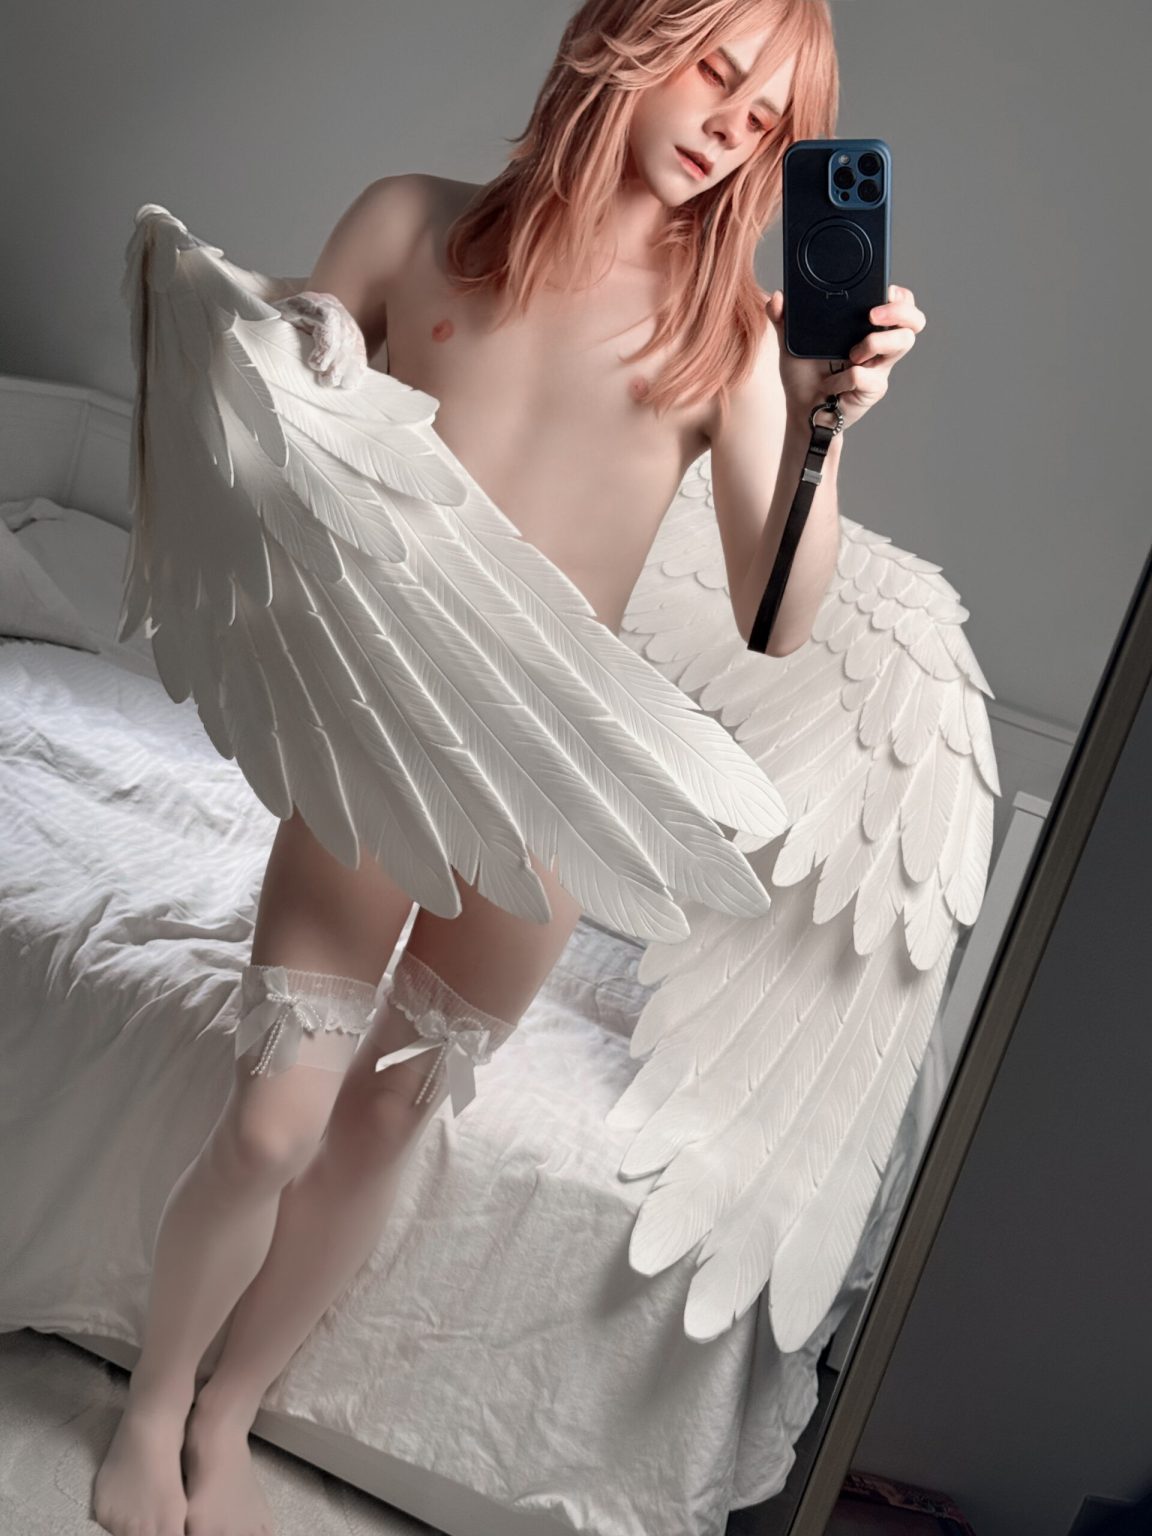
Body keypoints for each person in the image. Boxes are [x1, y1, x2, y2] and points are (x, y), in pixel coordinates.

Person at [94, 2, 922, 1530]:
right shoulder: (410, 226)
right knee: (276, 1120)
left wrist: (823, 421)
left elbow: (776, 616)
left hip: (553, 777)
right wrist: (278, 332)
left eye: (766, 117)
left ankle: (232, 1407)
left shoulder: (733, 339)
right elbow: (265, 434)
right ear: (627, 37)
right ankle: (153, 1404)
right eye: (715, 71)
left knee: (389, 1116)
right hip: (380, 738)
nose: (730, 126)